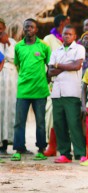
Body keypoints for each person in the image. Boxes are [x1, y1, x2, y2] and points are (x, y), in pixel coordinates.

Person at [11, 18, 51, 161]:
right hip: (23, 90)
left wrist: (45, 79)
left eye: (31, 27)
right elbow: (17, 65)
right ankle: (18, 149)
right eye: (26, 27)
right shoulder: (18, 47)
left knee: (40, 122)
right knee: (19, 122)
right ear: (24, 29)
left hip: (40, 90)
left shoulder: (44, 46)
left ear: (36, 29)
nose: (28, 29)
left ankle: (41, 149)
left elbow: (50, 67)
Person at [48, 25, 86, 163]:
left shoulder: (79, 48)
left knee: (74, 123)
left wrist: (58, 65)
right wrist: (67, 65)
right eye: (65, 34)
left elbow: (76, 66)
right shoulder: (56, 50)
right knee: (59, 124)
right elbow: (50, 72)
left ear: (75, 36)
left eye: (70, 34)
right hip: (57, 93)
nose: (67, 36)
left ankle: (80, 153)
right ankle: (65, 154)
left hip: (72, 92)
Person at [43, 14, 70, 157]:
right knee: (51, 112)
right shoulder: (49, 39)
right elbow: (47, 62)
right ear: (61, 23)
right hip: (53, 81)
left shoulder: (71, 42)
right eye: (67, 22)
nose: (69, 24)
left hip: (69, 82)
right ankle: (51, 144)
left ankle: (62, 144)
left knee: (66, 114)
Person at [0, 18, 18, 155]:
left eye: (1, 27)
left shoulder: (12, 42)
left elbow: (15, 59)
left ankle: (8, 141)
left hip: (11, 78)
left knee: (10, 108)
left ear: (5, 27)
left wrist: (7, 44)